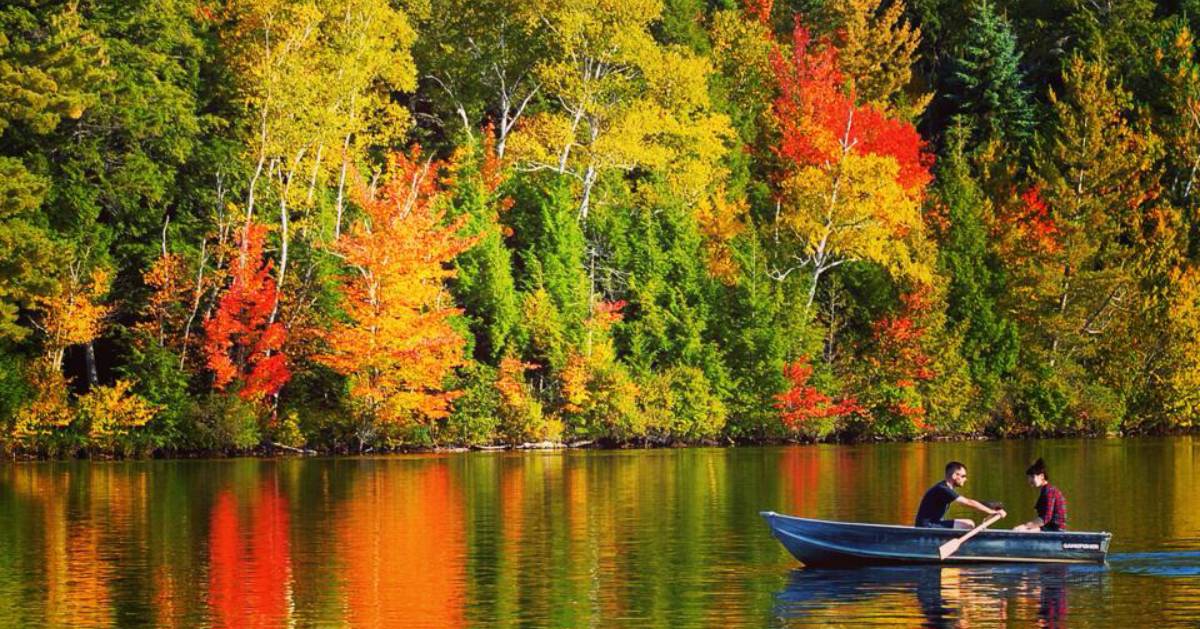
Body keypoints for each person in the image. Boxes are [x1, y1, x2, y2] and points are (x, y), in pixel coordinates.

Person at [914, 461, 1005, 529]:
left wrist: (993, 508)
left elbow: (972, 502)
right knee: (969, 524)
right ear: (954, 476)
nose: (965, 479)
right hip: (926, 526)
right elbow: (967, 502)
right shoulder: (943, 489)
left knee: (969, 523)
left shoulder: (946, 488)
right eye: (963, 476)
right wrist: (991, 512)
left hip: (934, 523)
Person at [1013, 458, 1067, 532]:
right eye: (1028, 477)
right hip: (1048, 527)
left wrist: (1026, 526)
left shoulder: (1050, 491)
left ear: (1041, 476)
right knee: (1020, 530)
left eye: (1032, 477)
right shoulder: (1045, 490)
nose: (1029, 480)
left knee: (1021, 530)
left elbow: (1046, 517)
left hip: (1056, 530)